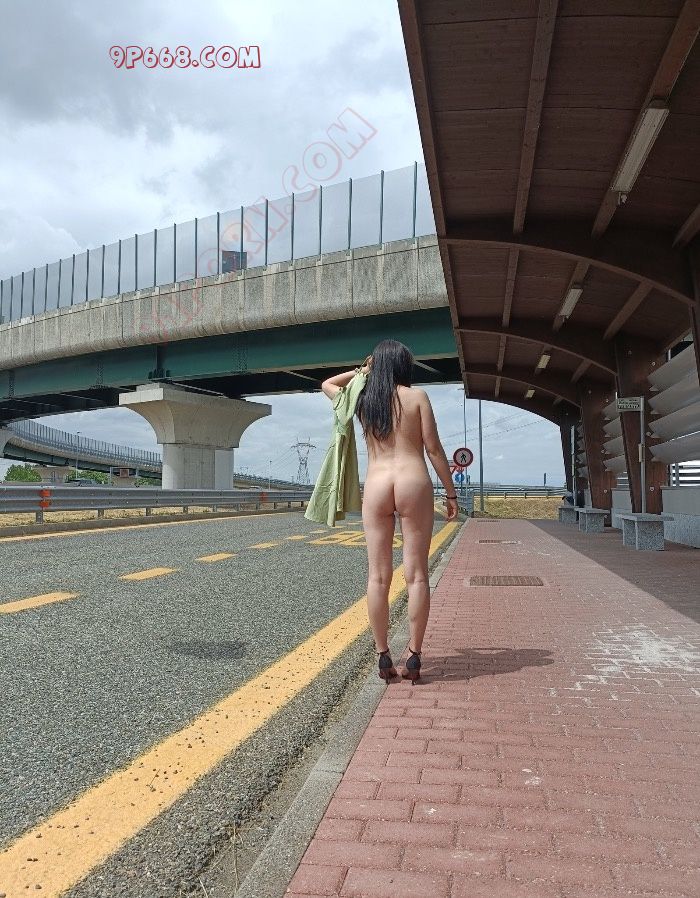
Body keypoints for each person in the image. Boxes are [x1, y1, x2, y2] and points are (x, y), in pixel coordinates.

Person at [320, 339, 457, 683]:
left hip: (377, 485)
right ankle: (414, 655)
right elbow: (434, 448)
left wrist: (362, 371)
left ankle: (382, 655)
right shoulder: (417, 397)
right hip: (413, 482)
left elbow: (327, 384)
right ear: (404, 367)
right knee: (417, 575)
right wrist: (451, 493)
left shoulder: (363, 399)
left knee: (378, 577)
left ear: (376, 366)